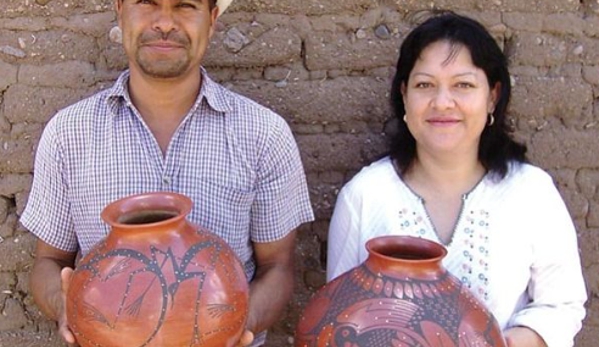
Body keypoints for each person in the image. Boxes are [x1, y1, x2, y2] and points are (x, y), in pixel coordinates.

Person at [20, 0, 314, 346]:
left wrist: (233, 322)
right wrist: (67, 305)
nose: (164, 22)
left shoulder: (263, 134)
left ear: (212, 18)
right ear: (120, 10)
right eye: (147, 3)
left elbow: (277, 267)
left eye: (185, 5)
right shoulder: (68, 133)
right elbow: (49, 261)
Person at [326, 12, 586, 347]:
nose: (443, 102)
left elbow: (562, 304)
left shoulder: (531, 192)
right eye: (425, 85)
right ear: (404, 95)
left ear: (492, 95)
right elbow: (338, 318)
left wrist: (500, 343)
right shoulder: (365, 196)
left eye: (463, 85)